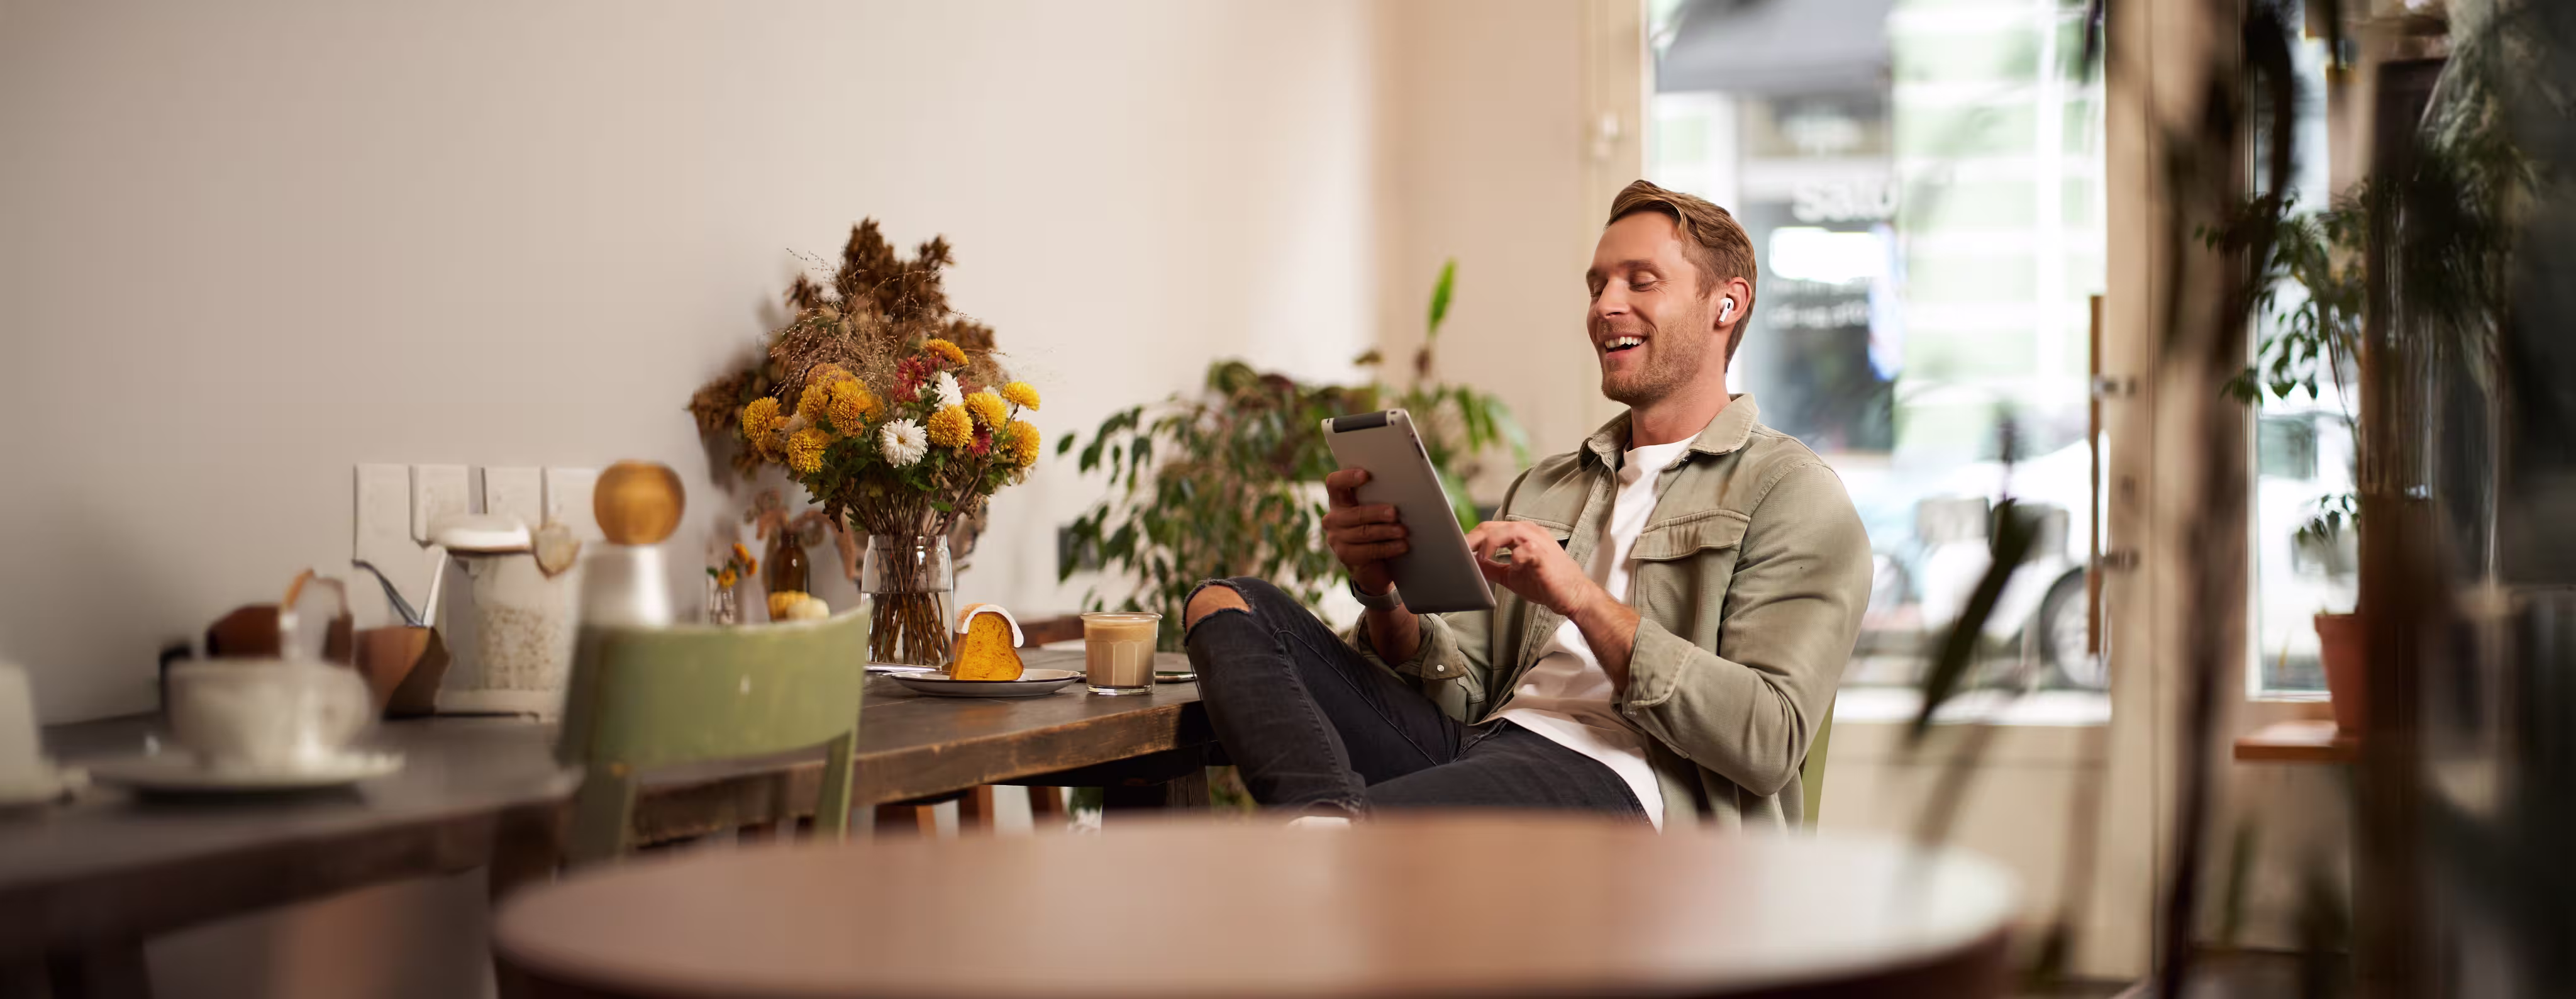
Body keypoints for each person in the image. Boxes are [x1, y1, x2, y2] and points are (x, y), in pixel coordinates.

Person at [1181, 180, 1872, 830]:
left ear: (1726, 304)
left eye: (1641, 280)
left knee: (1359, 845)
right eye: (1598, 284)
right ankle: (1324, 827)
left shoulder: (1789, 492)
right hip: (1482, 747)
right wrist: (1384, 597)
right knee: (1226, 606)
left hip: (1624, 782)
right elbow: (1462, 693)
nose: (1605, 305)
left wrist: (1580, 596)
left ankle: (1329, 840)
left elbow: (1769, 739)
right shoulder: (1546, 487)